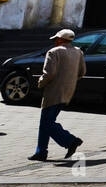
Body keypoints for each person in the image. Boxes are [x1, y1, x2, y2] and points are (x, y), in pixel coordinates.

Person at [28, 28, 85, 162]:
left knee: (47, 123)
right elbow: (82, 72)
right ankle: (41, 152)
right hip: (68, 91)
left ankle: (70, 140)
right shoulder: (78, 52)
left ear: (60, 40)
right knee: (46, 122)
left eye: (55, 40)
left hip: (53, 91)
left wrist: (41, 82)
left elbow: (49, 73)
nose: (54, 42)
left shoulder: (53, 52)